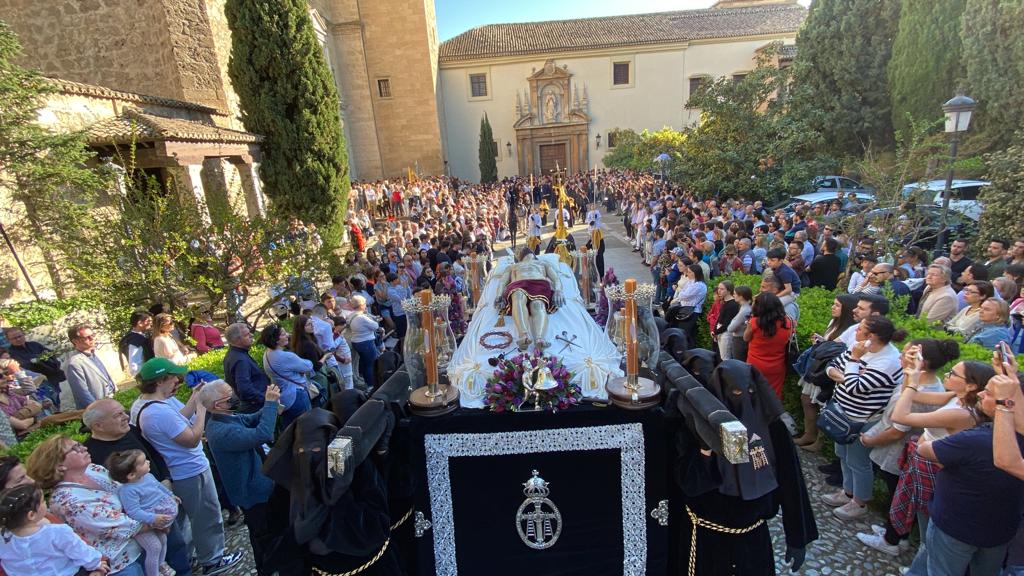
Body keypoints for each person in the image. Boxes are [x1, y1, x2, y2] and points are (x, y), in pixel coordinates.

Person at [130, 359, 241, 576]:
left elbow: (177, 421)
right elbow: (191, 439)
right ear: (161, 380)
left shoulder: (147, 404)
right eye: (173, 377)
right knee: (206, 515)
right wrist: (201, 408)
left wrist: (194, 398)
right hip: (189, 470)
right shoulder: (157, 412)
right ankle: (213, 559)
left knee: (185, 520)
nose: (178, 381)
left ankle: (189, 558)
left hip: (177, 471)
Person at [905, 374, 1024, 576]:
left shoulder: (977, 439)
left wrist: (1003, 404)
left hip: (955, 526)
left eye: (989, 393)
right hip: (1001, 532)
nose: (980, 394)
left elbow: (1006, 461)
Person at [855, 339, 960, 557]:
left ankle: (892, 540)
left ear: (924, 362)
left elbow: (898, 427)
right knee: (899, 494)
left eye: (907, 355)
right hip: (905, 451)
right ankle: (896, 534)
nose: (900, 357)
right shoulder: (927, 383)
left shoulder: (926, 388)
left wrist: (870, 441)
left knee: (900, 495)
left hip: (900, 451)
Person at [891, 356, 993, 569]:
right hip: (926, 465)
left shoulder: (962, 414)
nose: (947, 375)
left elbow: (900, 414)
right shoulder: (956, 397)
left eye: (953, 374)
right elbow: (910, 395)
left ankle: (920, 570)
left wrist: (912, 382)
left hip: (935, 471)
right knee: (927, 528)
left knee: (932, 533)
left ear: (971, 386)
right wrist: (912, 375)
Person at [25, 436, 146, 576]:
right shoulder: (66, 500)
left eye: (80, 444)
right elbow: (120, 526)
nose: (84, 448)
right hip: (121, 564)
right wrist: (159, 520)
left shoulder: (92, 469)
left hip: (141, 545)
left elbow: (127, 489)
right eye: (75, 448)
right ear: (60, 465)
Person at [823, 317, 906, 521]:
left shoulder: (888, 360)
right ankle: (847, 491)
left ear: (872, 337)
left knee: (858, 461)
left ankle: (859, 502)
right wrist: (849, 376)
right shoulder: (859, 347)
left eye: (860, 329)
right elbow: (832, 366)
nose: (855, 331)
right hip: (842, 412)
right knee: (842, 454)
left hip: (863, 418)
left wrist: (852, 364)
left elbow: (855, 387)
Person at [201, 380, 280, 576]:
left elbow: (250, 419)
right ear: (217, 405)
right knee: (263, 535)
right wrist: (270, 405)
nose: (235, 396)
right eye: (230, 396)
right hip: (252, 492)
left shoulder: (227, 417)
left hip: (259, 485)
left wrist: (270, 405)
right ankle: (268, 569)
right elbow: (262, 434)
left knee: (270, 530)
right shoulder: (221, 431)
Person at [794, 294, 858, 450]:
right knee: (806, 399)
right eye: (833, 304)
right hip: (819, 367)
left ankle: (819, 442)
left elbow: (842, 350)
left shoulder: (851, 329)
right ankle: (809, 433)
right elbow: (832, 345)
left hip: (828, 372)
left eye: (837, 305)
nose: (832, 307)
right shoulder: (833, 323)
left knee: (822, 405)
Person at [0, 484, 109, 576]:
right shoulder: (56, 532)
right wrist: (96, 563)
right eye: (42, 501)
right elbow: (79, 550)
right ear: (31, 515)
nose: (45, 504)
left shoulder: (3, 538)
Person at [105, 450, 178, 576]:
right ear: (131, 475)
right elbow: (133, 511)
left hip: (155, 518)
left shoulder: (148, 477)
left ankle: (161, 565)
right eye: (143, 462)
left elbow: (158, 487)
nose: (148, 462)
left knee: (163, 539)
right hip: (142, 522)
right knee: (154, 547)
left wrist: (171, 495)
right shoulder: (128, 490)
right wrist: (153, 518)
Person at [258, 324, 314, 429]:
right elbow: (308, 366)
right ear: (276, 340)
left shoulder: (267, 354)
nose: (287, 335)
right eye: (283, 334)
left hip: (284, 397)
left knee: (290, 430)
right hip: (297, 396)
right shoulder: (285, 356)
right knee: (306, 428)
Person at [744, 292, 794, 399]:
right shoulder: (789, 322)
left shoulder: (754, 322)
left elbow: (745, 338)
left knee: (754, 394)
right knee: (773, 396)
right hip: (777, 365)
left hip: (755, 363)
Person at [4, 326, 64, 406]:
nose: (18, 339)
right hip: (38, 384)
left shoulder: (34, 345)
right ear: (9, 340)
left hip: (56, 376)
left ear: (23, 334)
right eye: (14, 338)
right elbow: (27, 367)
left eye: (19, 336)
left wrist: (41, 361)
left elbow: (51, 355)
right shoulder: (11, 354)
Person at [65, 323, 117, 409]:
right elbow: (82, 393)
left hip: (112, 401)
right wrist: (98, 409)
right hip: (100, 409)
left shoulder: (95, 354)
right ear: (75, 341)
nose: (92, 338)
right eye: (87, 337)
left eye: (92, 335)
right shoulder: (74, 363)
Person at [222, 323, 271, 414]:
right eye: (247, 335)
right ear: (237, 340)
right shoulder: (240, 360)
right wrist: (266, 400)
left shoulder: (234, 354)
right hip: (255, 409)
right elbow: (245, 389)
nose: (251, 335)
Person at [346, 295, 382, 389]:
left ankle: (368, 383)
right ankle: (371, 384)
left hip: (357, 341)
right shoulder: (361, 317)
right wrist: (374, 320)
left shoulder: (351, 315)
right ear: (361, 305)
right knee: (371, 364)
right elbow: (375, 326)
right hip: (366, 342)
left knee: (366, 364)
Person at [117, 312, 154, 379]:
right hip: (147, 376)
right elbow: (134, 363)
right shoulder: (135, 340)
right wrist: (143, 378)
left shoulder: (138, 337)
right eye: (148, 321)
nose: (151, 323)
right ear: (140, 323)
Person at [712, 281, 739, 360]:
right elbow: (720, 317)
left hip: (726, 333)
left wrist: (716, 332)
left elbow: (727, 322)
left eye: (722, 289)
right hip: (720, 331)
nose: (719, 291)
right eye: (719, 288)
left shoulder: (733, 304)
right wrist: (715, 330)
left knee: (725, 357)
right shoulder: (725, 302)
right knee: (722, 356)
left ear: (729, 291)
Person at [724, 285, 753, 362]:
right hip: (742, 339)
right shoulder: (747, 307)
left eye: (735, 294)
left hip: (739, 340)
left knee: (738, 362)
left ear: (741, 296)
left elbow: (730, 328)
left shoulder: (744, 310)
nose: (733, 295)